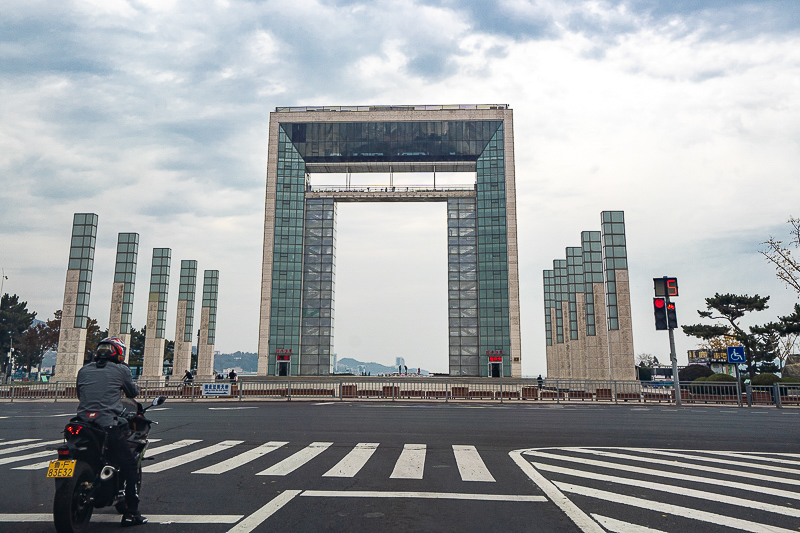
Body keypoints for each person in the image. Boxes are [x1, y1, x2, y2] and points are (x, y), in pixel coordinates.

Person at [76, 337, 147, 527]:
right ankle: (132, 512)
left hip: (81, 424)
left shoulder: (83, 370)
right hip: (106, 425)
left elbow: (80, 394)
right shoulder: (121, 370)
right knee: (130, 465)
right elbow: (132, 393)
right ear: (118, 353)